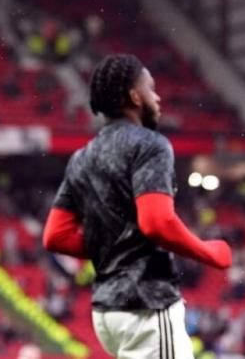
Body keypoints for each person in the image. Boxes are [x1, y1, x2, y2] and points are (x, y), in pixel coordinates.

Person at [42, 54, 232, 359]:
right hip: (146, 306)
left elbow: (56, 235)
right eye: (151, 88)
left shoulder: (83, 157)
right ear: (134, 96)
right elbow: (156, 223)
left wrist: (115, 247)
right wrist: (209, 252)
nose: (157, 97)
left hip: (107, 314)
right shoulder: (150, 144)